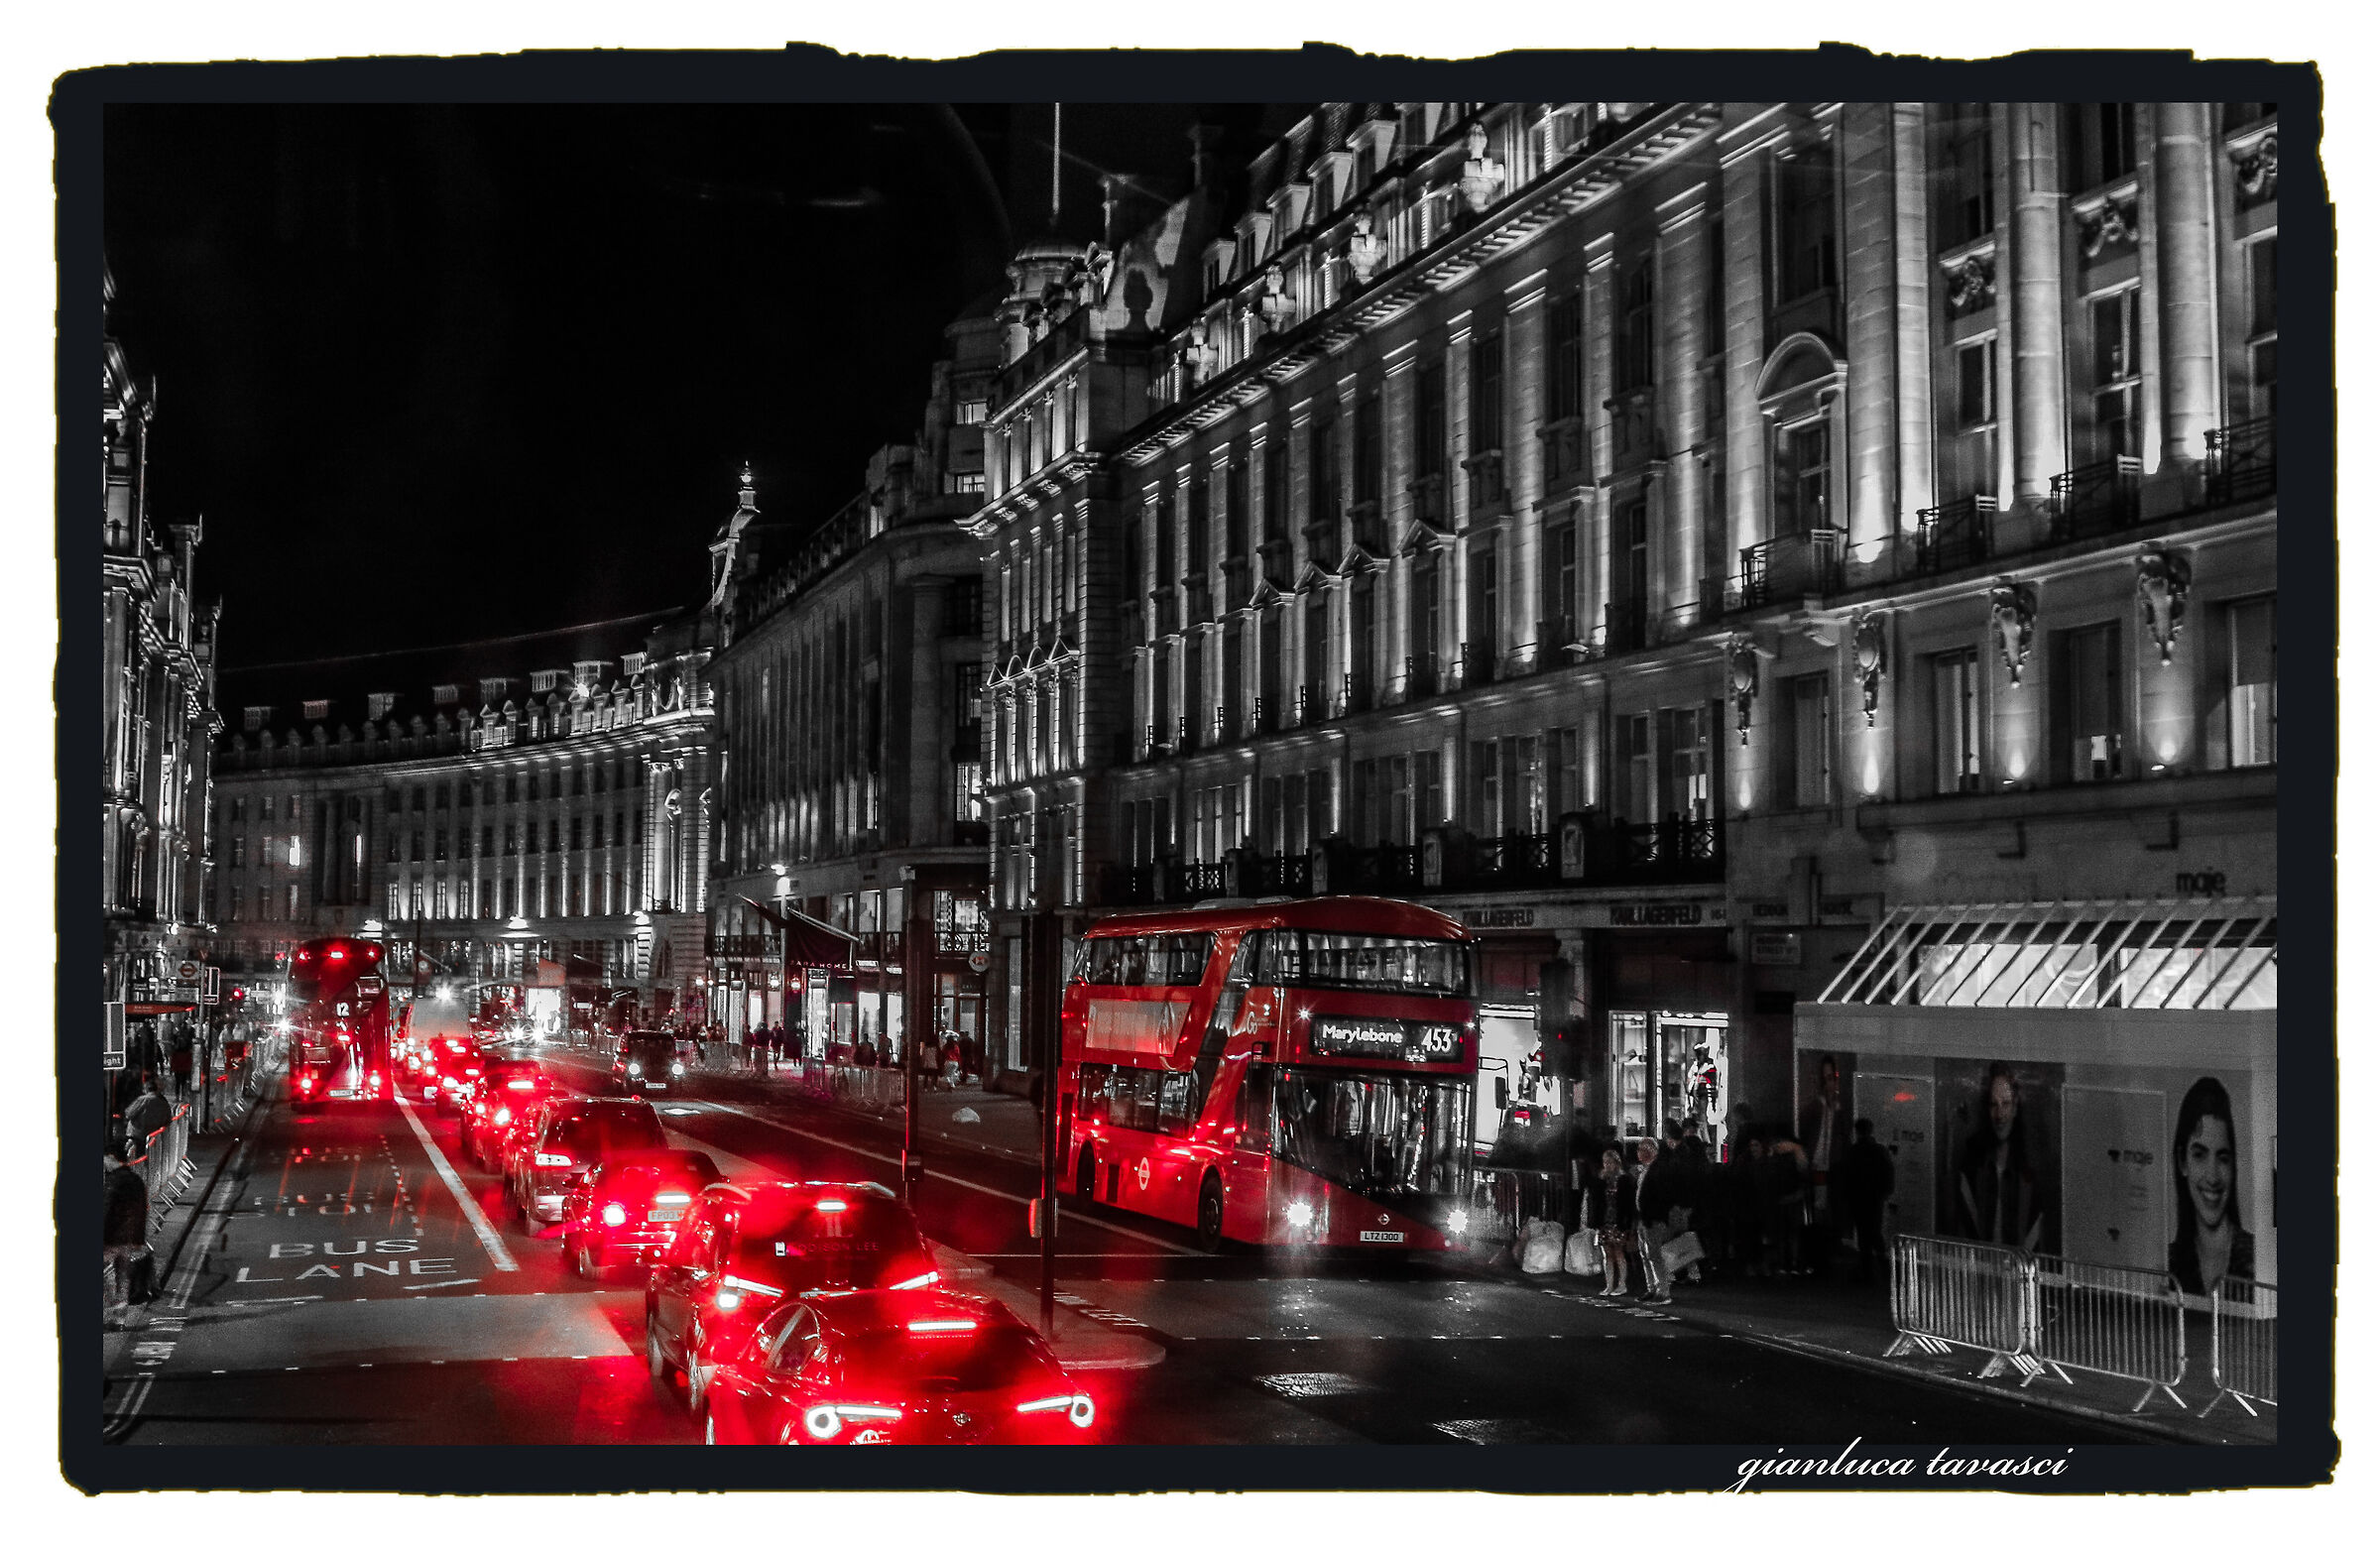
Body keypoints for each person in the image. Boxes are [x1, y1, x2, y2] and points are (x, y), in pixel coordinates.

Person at [2168, 1076, 2255, 1296]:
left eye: (2223, 1157)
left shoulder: (2256, 1256)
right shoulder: (2170, 1262)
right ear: (2182, 1161)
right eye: (2199, 1155)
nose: (2213, 1176)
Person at [1955, 1062, 2042, 1252]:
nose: (2000, 1114)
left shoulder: (2030, 1172)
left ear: (2016, 1108)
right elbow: (1964, 1233)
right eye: (1994, 1104)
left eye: (2006, 1104)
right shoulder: (1973, 1167)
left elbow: (2036, 1237)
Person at [1799, 1054, 1848, 1275]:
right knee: (1819, 1208)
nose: (1831, 1084)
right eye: (1828, 1079)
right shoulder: (1816, 1108)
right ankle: (1819, 1254)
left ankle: (1825, 1251)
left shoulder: (1837, 1109)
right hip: (1819, 1165)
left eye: (1833, 1079)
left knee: (1828, 1208)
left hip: (1831, 1166)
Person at [1843, 1116, 1896, 1285]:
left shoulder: (1853, 1152)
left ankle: (1867, 1272)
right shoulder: (1879, 1151)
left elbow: (1847, 1177)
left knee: (1864, 1234)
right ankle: (1885, 1268)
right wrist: (1886, 1191)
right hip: (1874, 1197)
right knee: (1874, 1231)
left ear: (1857, 1132)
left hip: (1858, 1198)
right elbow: (1888, 1171)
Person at [102, 1139, 151, 1322]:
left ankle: (114, 1307)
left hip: (112, 1236)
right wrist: (139, 1237)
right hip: (131, 1237)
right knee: (123, 1276)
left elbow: (105, 1209)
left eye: (104, 1159)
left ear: (112, 1158)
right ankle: (120, 1319)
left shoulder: (114, 1181)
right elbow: (143, 1209)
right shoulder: (136, 1180)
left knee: (106, 1274)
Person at [1581, 1146, 1637, 1297]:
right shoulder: (1601, 1180)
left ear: (1617, 1163)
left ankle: (1622, 1284)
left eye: (1610, 1162)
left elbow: (1628, 1204)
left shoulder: (1624, 1180)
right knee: (1607, 1253)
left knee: (1618, 1251)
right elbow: (1596, 1200)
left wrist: (1628, 1222)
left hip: (1617, 1220)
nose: (1607, 1165)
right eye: (1605, 1162)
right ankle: (1609, 1284)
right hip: (1604, 1220)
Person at [1631, 1136, 1676, 1304]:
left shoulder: (1658, 1171)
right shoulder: (1645, 1170)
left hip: (1652, 1217)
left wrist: (1653, 1214)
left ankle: (1663, 1290)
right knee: (1645, 1253)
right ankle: (1652, 1287)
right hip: (1644, 1217)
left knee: (1654, 1254)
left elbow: (1660, 1196)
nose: (1638, 1153)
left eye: (1642, 1150)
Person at [122, 1077, 171, 1162]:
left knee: (133, 1157)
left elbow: (129, 1113)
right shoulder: (163, 1102)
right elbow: (167, 1119)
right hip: (154, 1135)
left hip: (137, 1134)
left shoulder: (143, 1099)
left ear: (146, 1089)